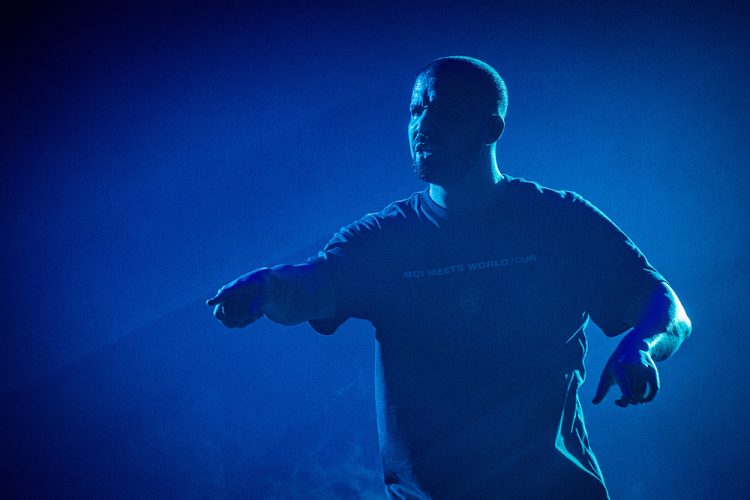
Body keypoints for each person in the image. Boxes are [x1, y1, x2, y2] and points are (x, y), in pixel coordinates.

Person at [206, 56, 692, 499]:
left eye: (445, 110)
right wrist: (267, 287)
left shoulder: (559, 220)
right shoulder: (384, 238)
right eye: (416, 109)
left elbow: (668, 308)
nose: (423, 124)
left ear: (491, 127)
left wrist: (641, 346)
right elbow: (312, 287)